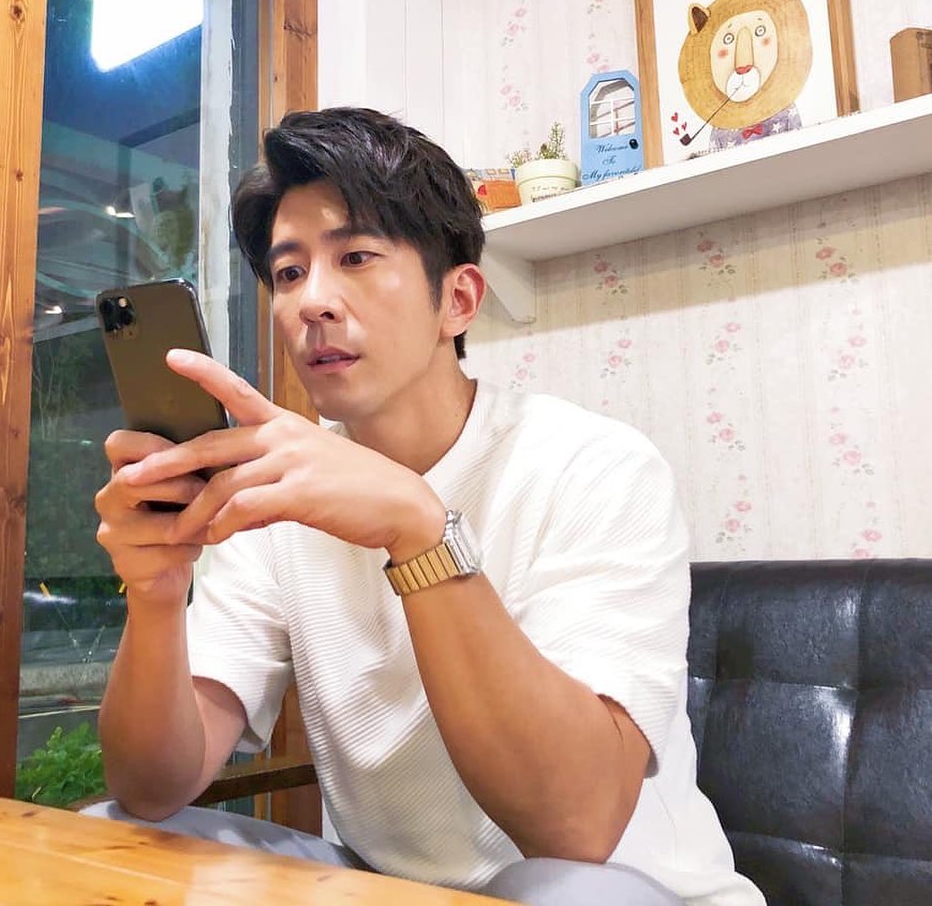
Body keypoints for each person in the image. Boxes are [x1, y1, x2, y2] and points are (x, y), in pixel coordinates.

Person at [91, 107, 764, 905]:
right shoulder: (274, 491)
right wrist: (157, 595)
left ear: (458, 300)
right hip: (390, 888)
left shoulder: (593, 465)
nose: (312, 301)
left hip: (624, 890)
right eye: (289, 273)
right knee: (117, 831)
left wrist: (416, 529)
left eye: (356, 257)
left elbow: (577, 829)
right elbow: (152, 784)